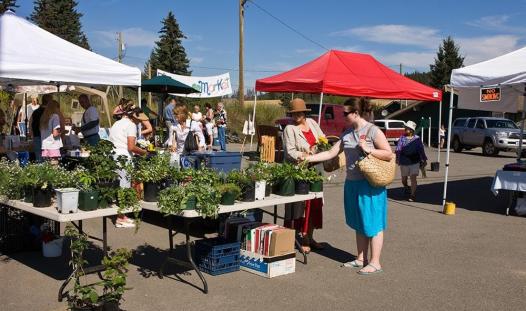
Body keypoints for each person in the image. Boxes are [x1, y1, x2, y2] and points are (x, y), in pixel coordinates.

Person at [302, 97, 393, 275]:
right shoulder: (347, 133)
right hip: (352, 184)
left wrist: (369, 149)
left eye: (345, 113)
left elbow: (388, 154)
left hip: (370, 185)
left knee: (373, 223)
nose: (343, 116)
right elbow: (330, 152)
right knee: (359, 222)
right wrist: (308, 158)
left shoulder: (373, 131)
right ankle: (361, 258)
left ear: (356, 113)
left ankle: (375, 262)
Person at [283, 98, 325, 253]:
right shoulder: (290, 128)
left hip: (316, 169)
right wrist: (305, 154)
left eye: (299, 113)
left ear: (304, 112)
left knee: (314, 206)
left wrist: (322, 147)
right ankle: (295, 239)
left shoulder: (313, 124)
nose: (296, 116)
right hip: (299, 171)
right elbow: (290, 152)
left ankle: (309, 238)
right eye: (293, 114)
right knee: (299, 207)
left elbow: (323, 139)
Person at [109, 100, 148, 228]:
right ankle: (120, 218)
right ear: (133, 116)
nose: (139, 122)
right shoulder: (131, 125)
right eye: (139, 119)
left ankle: (123, 216)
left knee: (119, 186)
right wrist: (143, 152)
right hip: (124, 158)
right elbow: (131, 147)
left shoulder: (116, 124)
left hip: (114, 156)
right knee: (124, 187)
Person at [396, 120, 427, 202]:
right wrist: (397, 158)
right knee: (404, 179)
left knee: (413, 178)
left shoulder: (417, 139)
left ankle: (412, 195)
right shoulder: (402, 138)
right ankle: (406, 187)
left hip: (414, 161)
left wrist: (424, 159)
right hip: (404, 161)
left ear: (412, 130)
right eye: (405, 128)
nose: (405, 129)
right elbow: (398, 149)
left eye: (407, 128)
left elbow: (421, 150)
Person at [30, 94, 52, 162]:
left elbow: (30, 124)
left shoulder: (35, 112)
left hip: (36, 137)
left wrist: (32, 136)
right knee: (48, 160)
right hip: (47, 138)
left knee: (39, 159)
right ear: (49, 102)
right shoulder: (50, 113)